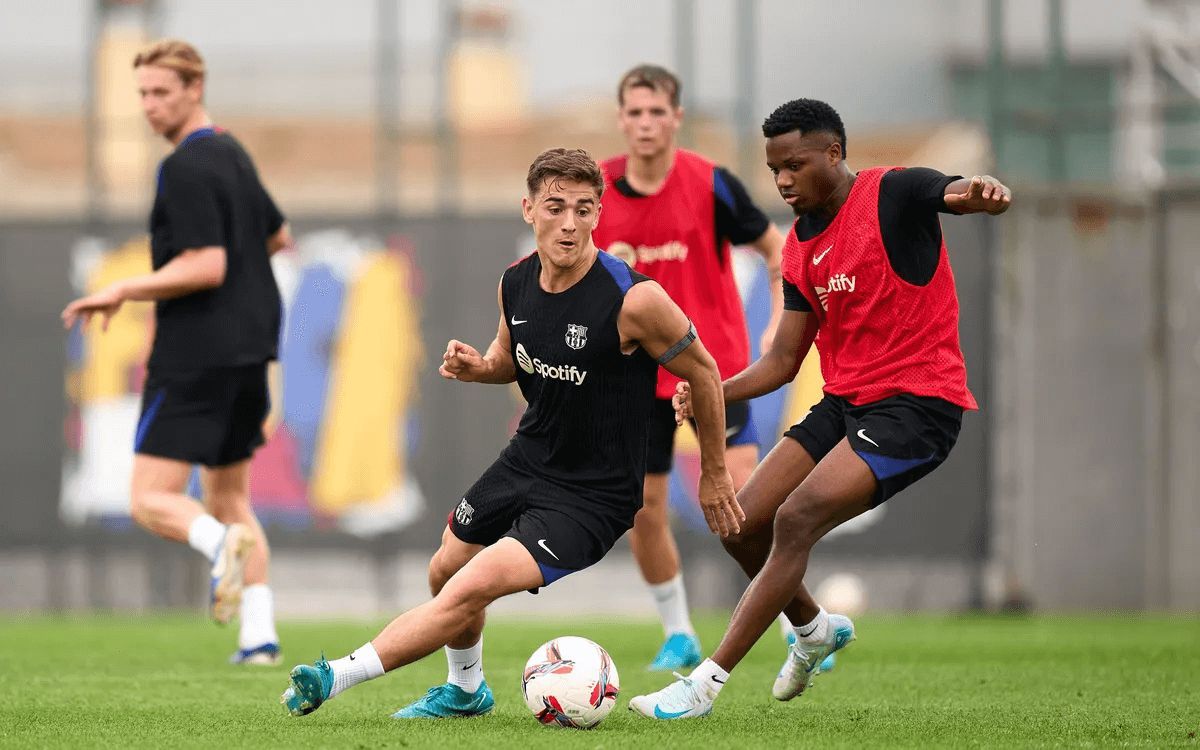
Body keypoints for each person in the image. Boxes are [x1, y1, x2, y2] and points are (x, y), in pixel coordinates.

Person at [280, 148, 742, 720]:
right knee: (444, 568)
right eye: (555, 207)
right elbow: (509, 356)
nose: (569, 223)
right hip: (528, 460)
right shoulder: (516, 282)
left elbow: (705, 372)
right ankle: (466, 690)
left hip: (593, 494)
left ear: (598, 215)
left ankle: (336, 675)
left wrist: (715, 472)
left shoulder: (634, 299)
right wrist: (481, 367)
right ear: (529, 209)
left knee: (469, 586)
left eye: (583, 209)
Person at [630, 98, 1012, 719]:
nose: (782, 180)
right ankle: (813, 630)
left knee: (796, 517)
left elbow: (954, 192)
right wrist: (711, 390)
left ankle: (703, 686)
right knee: (738, 524)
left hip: (917, 406)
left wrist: (981, 191)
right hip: (845, 404)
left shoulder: (892, 192)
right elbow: (784, 360)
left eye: (795, 165)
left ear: (834, 154)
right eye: (774, 169)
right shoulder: (800, 248)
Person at [60, 39, 289, 665]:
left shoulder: (185, 165)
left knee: (149, 498)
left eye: (161, 91)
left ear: (195, 89)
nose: (148, 104)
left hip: (197, 352)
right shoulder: (233, 153)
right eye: (142, 93)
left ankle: (218, 547)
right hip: (251, 350)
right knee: (229, 498)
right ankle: (260, 638)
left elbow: (207, 264)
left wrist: (124, 288)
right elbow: (277, 235)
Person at [592, 64, 786, 671]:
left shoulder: (711, 184)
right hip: (633, 377)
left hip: (712, 370)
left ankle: (794, 623)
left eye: (658, 112)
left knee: (745, 503)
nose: (646, 123)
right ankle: (679, 632)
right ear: (621, 119)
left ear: (676, 118)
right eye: (635, 112)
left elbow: (776, 251)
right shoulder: (595, 189)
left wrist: (780, 322)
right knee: (641, 510)